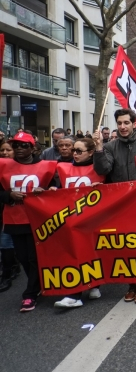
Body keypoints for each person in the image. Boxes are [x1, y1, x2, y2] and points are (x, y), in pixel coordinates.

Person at [93, 109, 136, 304]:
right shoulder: (110, 147)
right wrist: (98, 148)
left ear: (134, 123)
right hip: (120, 206)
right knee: (124, 245)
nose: (122, 126)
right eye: (119, 123)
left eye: (126, 123)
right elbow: (103, 169)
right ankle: (130, 284)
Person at [0, 132, 57, 311]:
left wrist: (46, 190)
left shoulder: (47, 166)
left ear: (33, 148)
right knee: (24, 257)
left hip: (38, 219)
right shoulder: (3, 165)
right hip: (15, 218)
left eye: (24, 145)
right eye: (15, 145)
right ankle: (38, 284)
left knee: (34, 257)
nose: (19, 149)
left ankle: (30, 293)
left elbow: (58, 188)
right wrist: (9, 195)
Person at [53, 138, 105, 307]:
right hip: (71, 218)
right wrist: (53, 190)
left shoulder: (100, 169)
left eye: (79, 151)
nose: (74, 153)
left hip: (93, 219)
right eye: (74, 150)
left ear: (91, 152)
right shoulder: (62, 167)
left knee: (92, 253)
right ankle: (74, 294)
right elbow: (59, 189)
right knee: (75, 253)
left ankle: (94, 284)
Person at [0, 140, 20, 293]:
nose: (5, 153)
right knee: (5, 244)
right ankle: (7, 272)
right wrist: (8, 195)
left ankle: (13, 268)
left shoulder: (22, 168)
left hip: (18, 213)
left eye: (8, 150)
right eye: (2, 150)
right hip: (4, 209)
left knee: (9, 243)